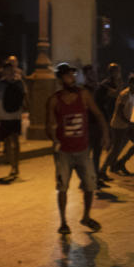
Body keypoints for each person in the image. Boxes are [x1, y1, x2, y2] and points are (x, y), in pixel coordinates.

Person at [46, 63, 109, 234]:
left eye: (73, 75)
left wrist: (105, 135)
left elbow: (98, 114)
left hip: (82, 151)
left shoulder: (84, 95)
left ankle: (86, 217)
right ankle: (63, 222)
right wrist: (54, 138)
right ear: (60, 79)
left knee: (90, 186)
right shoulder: (54, 100)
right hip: (64, 153)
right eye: (67, 76)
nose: (72, 78)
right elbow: (50, 125)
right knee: (62, 188)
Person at [102, 74, 134, 177]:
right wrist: (130, 123)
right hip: (118, 126)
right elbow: (119, 112)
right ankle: (102, 170)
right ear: (130, 84)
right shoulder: (125, 94)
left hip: (126, 125)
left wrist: (130, 124)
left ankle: (120, 163)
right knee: (116, 149)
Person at [0, 61, 27, 180]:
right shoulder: (0, 84)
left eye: (11, 70)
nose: (9, 73)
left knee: (15, 141)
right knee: (8, 141)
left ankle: (15, 166)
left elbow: (25, 98)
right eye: (7, 71)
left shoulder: (19, 83)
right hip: (4, 116)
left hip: (15, 116)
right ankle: (13, 164)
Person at [81, 65, 108, 188]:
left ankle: (95, 178)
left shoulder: (98, 88)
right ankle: (85, 179)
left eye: (94, 72)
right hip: (89, 124)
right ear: (86, 75)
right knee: (88, 153)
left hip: (98, 123)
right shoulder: (84, 90)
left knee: (97, 152)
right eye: (90, 73)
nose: (93, 75)